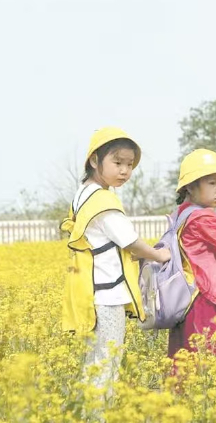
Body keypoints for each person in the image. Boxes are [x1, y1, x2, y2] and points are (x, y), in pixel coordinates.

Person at [61, 127, 170, 393]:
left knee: (95, 362)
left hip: (90, 293)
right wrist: (158, 255)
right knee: (107, 363)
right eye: (117, 162)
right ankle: (99, 410)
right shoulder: (102, 201)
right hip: (107, 296)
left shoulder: (82, 195)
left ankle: (88, 408)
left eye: (129, 165)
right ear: (94, 161)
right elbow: (130, 241)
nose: (124, 171)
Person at [168, 149, 216, 357]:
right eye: (212, 183)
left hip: (186, 296)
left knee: (185, 354)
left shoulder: (180, 214)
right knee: (207, 355)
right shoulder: (203, 218)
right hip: (205, 296)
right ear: (191, 187)